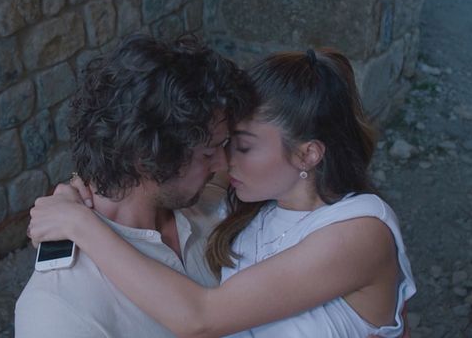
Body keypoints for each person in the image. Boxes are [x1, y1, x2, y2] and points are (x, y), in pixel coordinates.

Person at [28, 48, 416, 337]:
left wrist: (80, 224)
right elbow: (125, 155)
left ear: (308, 154)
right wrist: (72, 191)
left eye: (239, 146)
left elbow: (200, 317)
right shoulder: (247, 204)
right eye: (219, 147)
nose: (224, 162)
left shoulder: (355, 232)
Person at [14, 34, 254, 337]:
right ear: (146, 157)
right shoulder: (57, 310)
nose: (223, 164)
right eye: (208, 153)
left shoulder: (212, 202)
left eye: (225, 145)